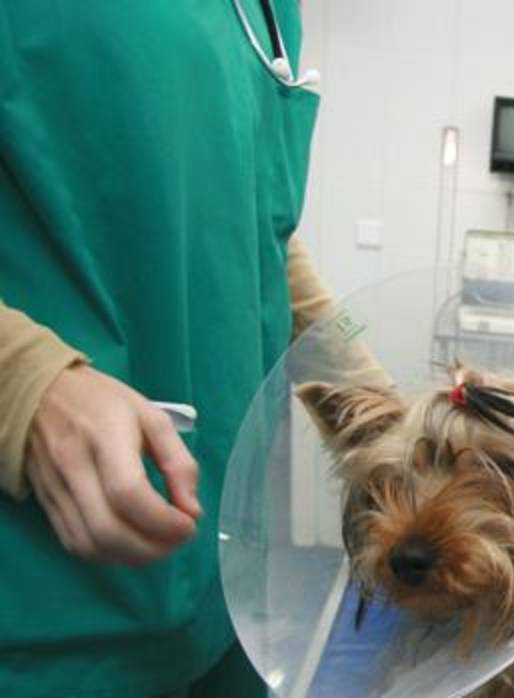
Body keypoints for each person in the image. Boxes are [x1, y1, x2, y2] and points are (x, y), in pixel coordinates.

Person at [0, 2, 349, 695]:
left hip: (230, 599)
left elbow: (250, 226)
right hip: (43, 613)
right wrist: (20, 377)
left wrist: (373, 387)